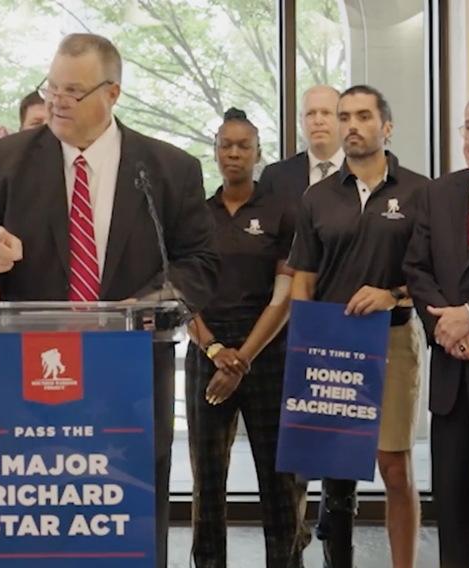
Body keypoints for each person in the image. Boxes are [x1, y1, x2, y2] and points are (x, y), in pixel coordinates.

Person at [0, 33, 219, 568]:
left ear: (112, 93)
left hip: (132, 374)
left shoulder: (168, 169)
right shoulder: (9, 160)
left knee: (131, 517)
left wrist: (142, 305)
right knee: (42, 514)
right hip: (30, 375)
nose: (57, 101)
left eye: (73, 90)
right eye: (51, 87)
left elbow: (202, 265)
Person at [288, 85, 427, 568]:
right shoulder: (316, 197)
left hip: (392, 338)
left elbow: (432, 277)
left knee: (394, 467)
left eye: (363, 116)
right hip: (327, 343)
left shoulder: (420, 191)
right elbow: (302, 279)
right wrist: (303, 345)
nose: (350, 125)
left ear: (385, 127)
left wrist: (392, 295)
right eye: (344, 116)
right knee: (331, 468)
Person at [185, 108, 303, 568]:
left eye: (243, 146)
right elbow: (183, 293)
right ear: (215, 152)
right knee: (208, 479)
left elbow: (285, 295)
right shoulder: (195, 215)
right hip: (207, 351)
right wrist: (215, 350)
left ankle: (286, 560)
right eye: (225, 145)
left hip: (267, 353)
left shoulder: (281, 212)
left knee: (278, 476)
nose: (234, 154)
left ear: (258, 154)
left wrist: (242, 359)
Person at [403, 89, 469, 568]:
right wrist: (447, 325)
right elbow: (416, 270)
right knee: (454, 514)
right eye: (467, 126)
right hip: (451, 378)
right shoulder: (439, 192)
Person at [259, 85, 343, 201]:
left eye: (326, 113)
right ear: (301, 121)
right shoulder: (275, 177)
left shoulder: (363, 172)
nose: (318, 121)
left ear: (342, 119)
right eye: (310, 114)